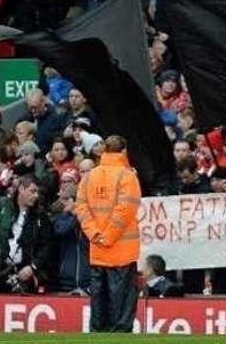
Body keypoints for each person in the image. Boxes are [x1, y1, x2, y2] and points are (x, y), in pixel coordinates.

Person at [75, 135, 142, 333]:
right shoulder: (127, 176)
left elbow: (81, 207)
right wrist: (109, 236)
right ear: (123, 151)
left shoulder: (89, 176)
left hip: (98, 251)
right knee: (121, 312)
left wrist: (95, 234)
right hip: (122, 252)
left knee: (99, 308)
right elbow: (126, 209)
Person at [0, 176, 51, 293]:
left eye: (38, 192)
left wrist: (33, 267)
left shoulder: (40, 216)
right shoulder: (1, 206)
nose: (36, 195)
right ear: (21, 188)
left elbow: (46, 246)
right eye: (33, 191)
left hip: (22, 273)